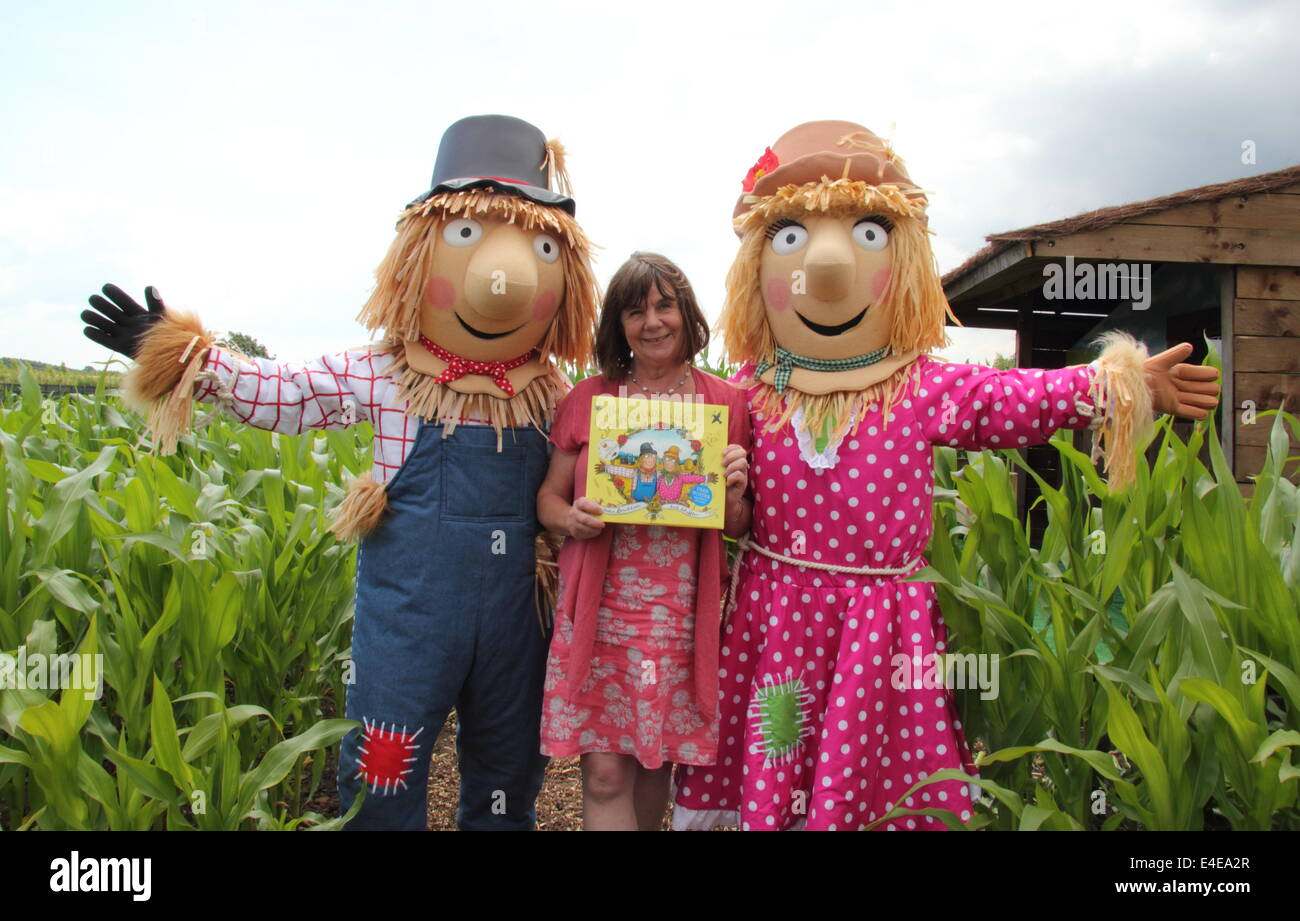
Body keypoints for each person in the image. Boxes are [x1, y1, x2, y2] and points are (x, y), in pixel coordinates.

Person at [536, 252, 753, 830]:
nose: (652, 322)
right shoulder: (590, 400)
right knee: (606, 772)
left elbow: (736, 528)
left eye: (664, 305)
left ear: (686, 311)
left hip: (680, 611)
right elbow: (547, 500)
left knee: (656, 761)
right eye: (636, 311)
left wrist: (734, 489)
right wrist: (571, 519)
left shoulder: (725, 402)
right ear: (619, 325)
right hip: (601, 608)